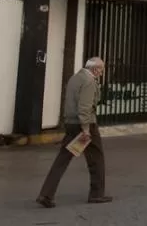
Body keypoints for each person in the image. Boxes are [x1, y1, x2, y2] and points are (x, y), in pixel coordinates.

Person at [36, 57, 111, 208]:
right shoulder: (89, 81)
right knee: (96, 158)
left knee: (63, 159)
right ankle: (96, 194)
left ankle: (46, 193)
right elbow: (84, 107)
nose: (101, 73)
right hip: (85, 124)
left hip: (70, 124)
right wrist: (86, 130)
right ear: (95, 69)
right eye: (101, 70)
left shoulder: (75, 78)